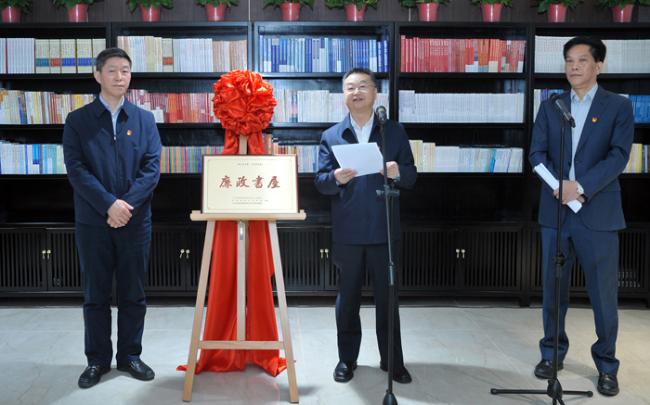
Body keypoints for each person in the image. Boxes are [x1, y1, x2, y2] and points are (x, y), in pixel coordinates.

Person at [529, 37, 634, 397]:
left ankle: (606, 364)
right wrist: (558, 186)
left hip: (598, 213)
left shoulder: (618, 106)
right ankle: (551, 354)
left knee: (603, 295)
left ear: (598, 66)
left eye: (582, 60)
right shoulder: (551, 106)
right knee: (553, 289)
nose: (573, 67)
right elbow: (536, 154)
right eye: (569, 61)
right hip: (555, 211)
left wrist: (581, 187)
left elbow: (618, 156)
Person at [63, 47, 162, 389]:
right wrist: (108, 205)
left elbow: (151, 170)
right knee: (96, 294)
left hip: (135, 221)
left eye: (125, 71)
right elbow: (76, 169)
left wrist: (125, 206)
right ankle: (97, 360)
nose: (120, 77)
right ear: (97, 75)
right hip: (93, 222)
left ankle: (130, 355)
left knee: (133, 293)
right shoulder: (78, 121)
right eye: (112, 71)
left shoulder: (144, 120)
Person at [315, 67, 417, 384]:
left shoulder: (393, 132)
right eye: (349, 87)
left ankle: (392, 361)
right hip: (348, 231)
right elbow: (320, 182)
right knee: (347, 300)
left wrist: (397, 172)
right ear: (343, 95)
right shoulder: (332, 135)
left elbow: (412, 176)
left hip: (384, 229)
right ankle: (347, 360)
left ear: (375, 92)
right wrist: (335, 178)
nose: (356, 92)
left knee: (388, 300)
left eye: (362, 86)